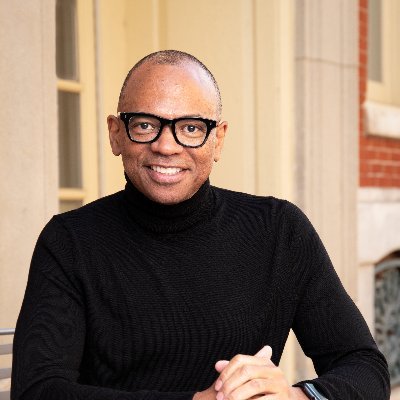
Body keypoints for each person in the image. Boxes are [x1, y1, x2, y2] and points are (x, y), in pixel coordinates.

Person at [11, 50, 390, 400]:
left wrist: (298, 397)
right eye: (145, 124)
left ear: (218, 139)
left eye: (191, 128)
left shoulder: (279, 230)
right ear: (116, 133)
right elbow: (38, 391)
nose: (167, 146)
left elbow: (365, 367)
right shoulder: (70, 241)